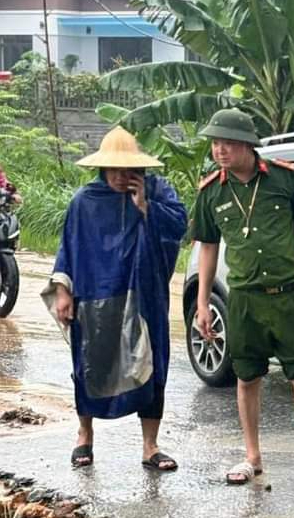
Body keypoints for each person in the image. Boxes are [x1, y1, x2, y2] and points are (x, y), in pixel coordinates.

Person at [190, 108, 294, 487]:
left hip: (289, 293)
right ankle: (252, 456)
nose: (220, 150)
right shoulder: (212, 191)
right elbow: (207, 248)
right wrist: (202, 303)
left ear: (246, 143)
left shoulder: (284, 178)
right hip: (244, 297)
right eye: (215, 143)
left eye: (227, 142)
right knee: (247, 378)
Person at [44, 127, 187, 471]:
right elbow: (69, 247)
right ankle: (84, 436)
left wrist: (146, 208)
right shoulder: (85, 201)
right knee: (90, 364)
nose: (123, 176)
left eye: (130, 170)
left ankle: (150, 446)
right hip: (95, 295)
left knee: (152, 367)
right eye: (116, 169)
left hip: (144, 295)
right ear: (104, 167)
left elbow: (180, 226)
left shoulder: (156, 191)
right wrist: (63, 289)